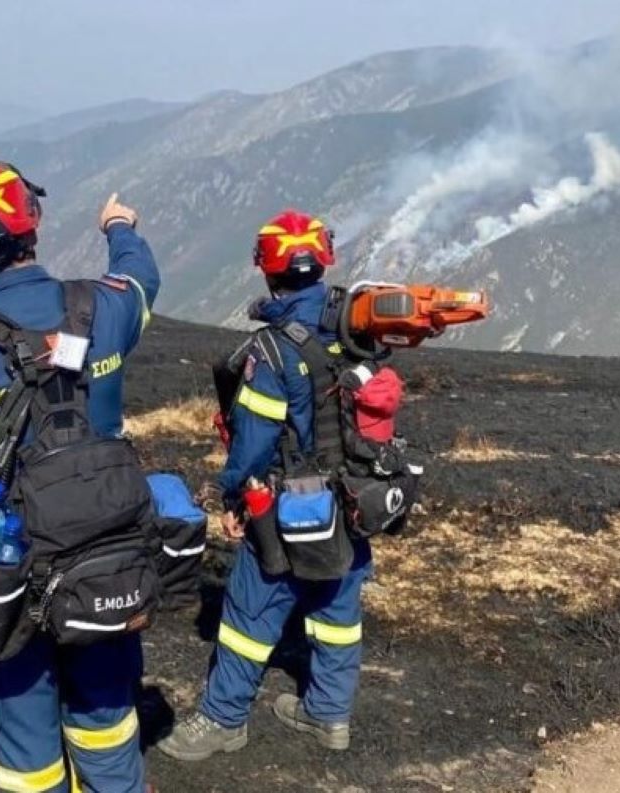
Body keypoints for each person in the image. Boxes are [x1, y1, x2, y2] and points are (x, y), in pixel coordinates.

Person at [0, 160, 159, 793]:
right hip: (104, 558)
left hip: (10, 575)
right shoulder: (103, 307)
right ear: (34, 221)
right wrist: (119, 227)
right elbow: (142, 278)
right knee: (107, 722)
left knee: (26, 747)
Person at [157, 210, 372, 761]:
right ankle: (329, 716)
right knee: (337, 605)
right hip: (353, 499)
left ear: (267, 269)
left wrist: (234, 495)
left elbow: (254, 440)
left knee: (250, 612)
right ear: (324, 260)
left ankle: (223, 720)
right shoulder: (356, 330)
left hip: (288, 506)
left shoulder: (271, 351)